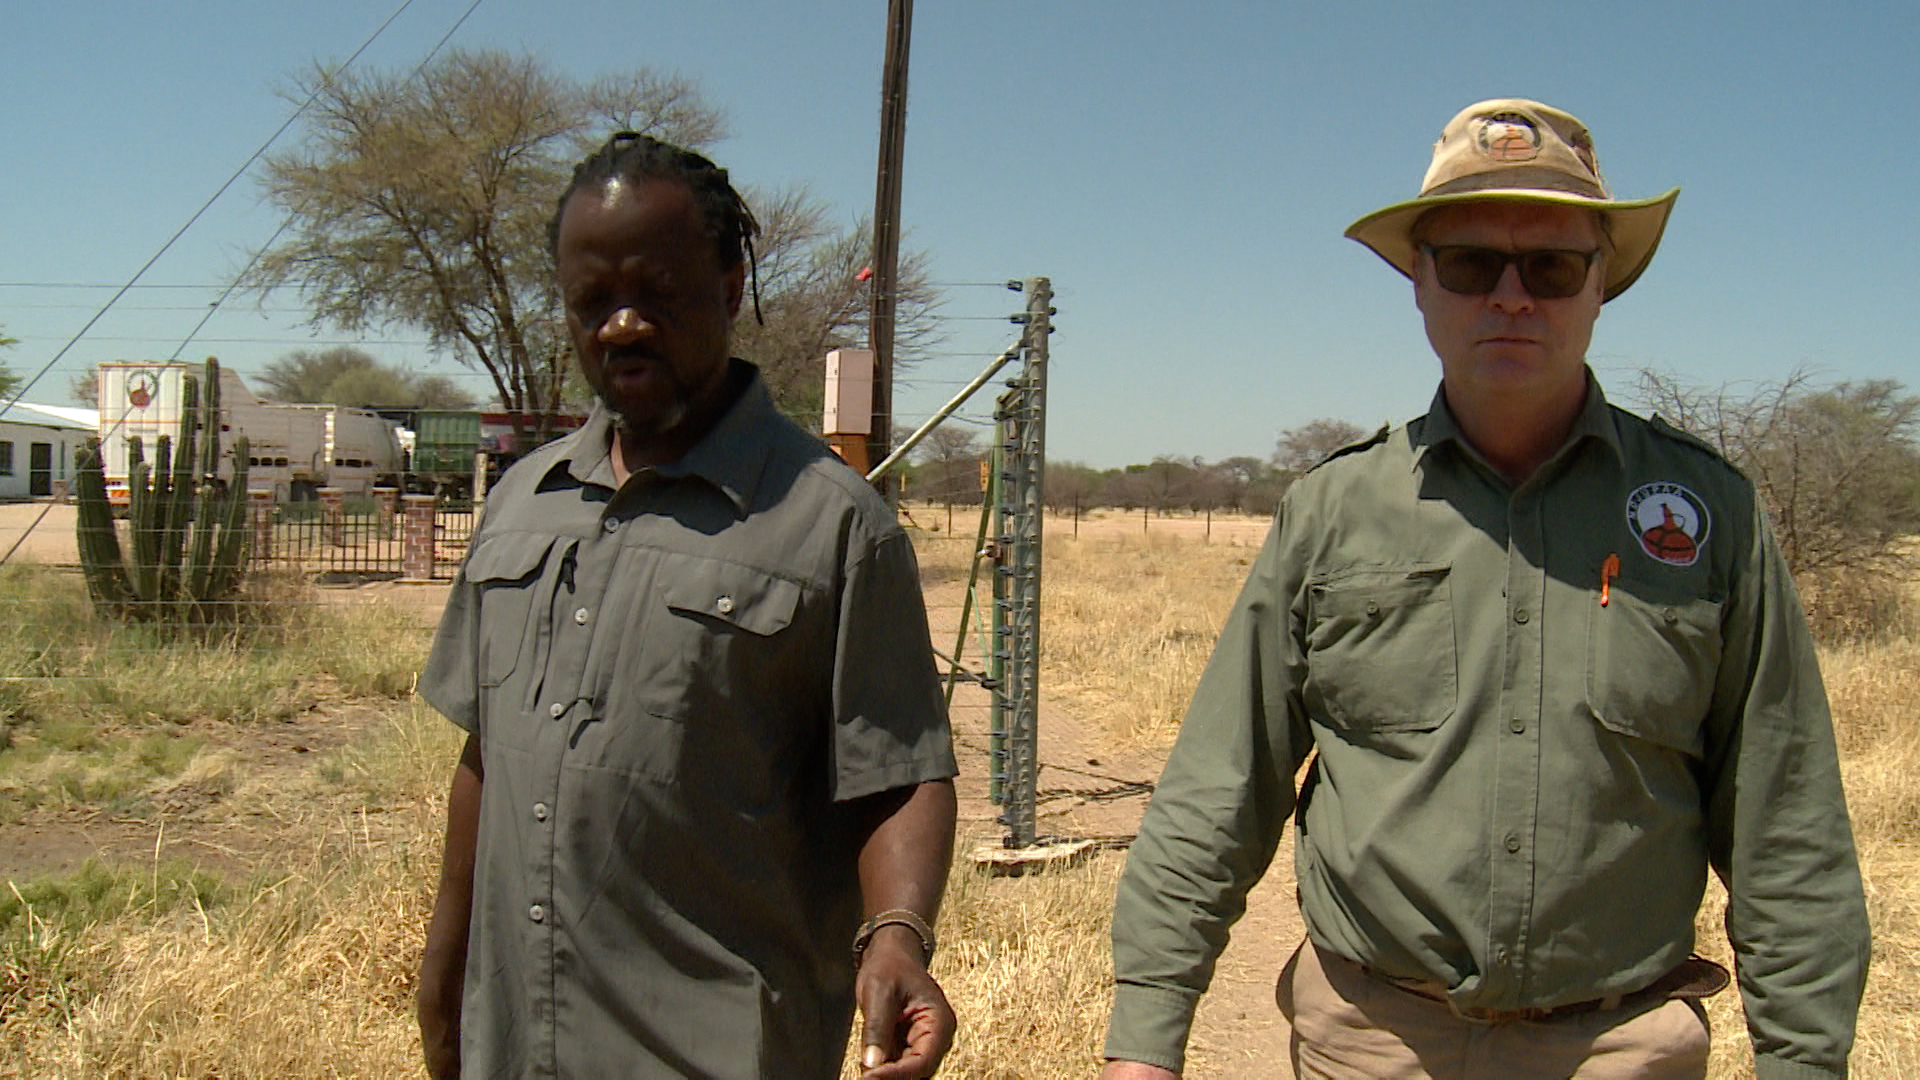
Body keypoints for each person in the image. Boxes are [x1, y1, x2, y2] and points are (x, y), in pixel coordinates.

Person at [1101, 99, 1870, 1080]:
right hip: (1370, 1043)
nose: (1511, 296)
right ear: (1419, 283)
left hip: (1623, 1049)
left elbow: (1787, 828)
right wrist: (1145, 1039)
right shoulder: (1333, 511)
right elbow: (1218, 791)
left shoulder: (1708, 517)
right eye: (1469, 263)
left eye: (1551, 266)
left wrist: (1806, 1062)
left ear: (1603, 286)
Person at [414, 132, 959, 1080]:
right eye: (593, 301)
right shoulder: (520, 504)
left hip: (717, 1046)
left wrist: (899, 934)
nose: (622, 325)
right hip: (519, 1036)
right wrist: (446, 956)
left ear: (731, 282)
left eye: (657, 292)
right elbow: (485, 752)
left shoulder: (833, 527)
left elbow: (900, 771)